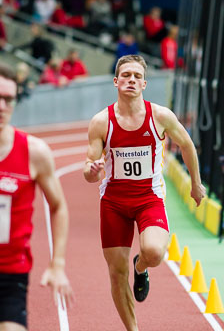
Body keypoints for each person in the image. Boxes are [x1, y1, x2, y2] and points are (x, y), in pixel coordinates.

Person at [83, 55, 206, 331]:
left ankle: (141, 267)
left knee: (154, 252)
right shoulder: (101, 121)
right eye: (126, 75)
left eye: (137, 76)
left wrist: (196, 184)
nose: (131, 80)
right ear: (116, 81)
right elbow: (89, 166)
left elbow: (186, 145)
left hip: (148, 199)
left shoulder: (160, 116)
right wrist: (92, 171)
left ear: (145, 84)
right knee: (116, 274)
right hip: (113, 203)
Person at [0, 62, 73, 331]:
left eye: (8, 99)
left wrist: (58, 265)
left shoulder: (34, 152)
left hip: (10, 274)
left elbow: (59, 207)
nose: (1, 106)